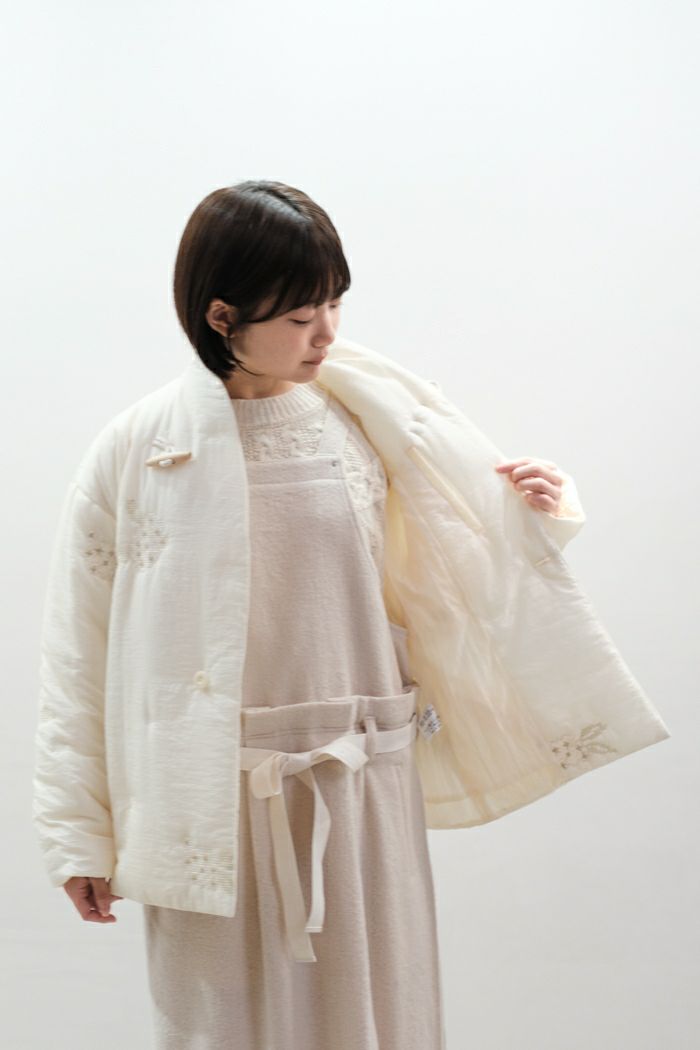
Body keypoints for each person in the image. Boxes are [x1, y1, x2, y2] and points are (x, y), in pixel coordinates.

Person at [33, 180, 669, 1050]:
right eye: (301, 316)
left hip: (360, 780)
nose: (327, 334)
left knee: (378, 1020)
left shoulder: (363, 419)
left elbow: (446, 571)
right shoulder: (135, 450)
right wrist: (78, 836)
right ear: (222, 316)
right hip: (211, 794)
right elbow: (79, 650)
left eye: (334, 304)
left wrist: (537, 517)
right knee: (221, 1028)